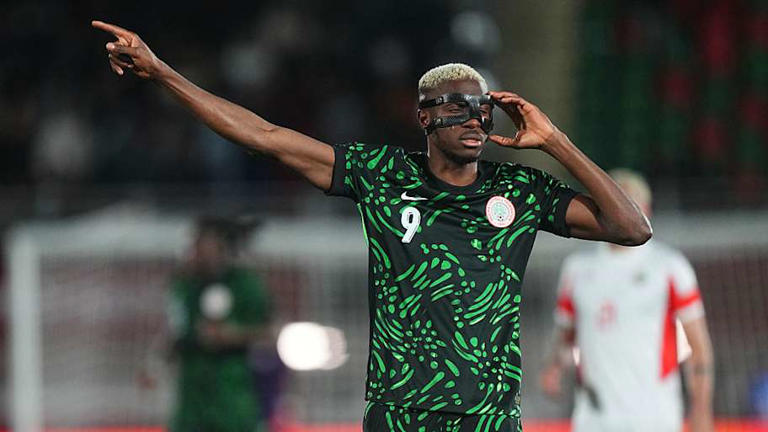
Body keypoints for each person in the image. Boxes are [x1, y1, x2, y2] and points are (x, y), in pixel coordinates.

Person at [92, 20, 652, 432]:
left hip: (490, 414)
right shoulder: (381, 174)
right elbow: (265, 136)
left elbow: (632, 228)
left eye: (483, 109)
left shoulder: (520, 190)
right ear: (425, 117)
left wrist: (554, 141)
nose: (475, 120)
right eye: (456, 108)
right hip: (398, 411)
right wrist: (162, 73)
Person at [539, 169, 714, 432]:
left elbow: (697, 347)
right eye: (612, 202)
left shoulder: (669, 267)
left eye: (628, 204)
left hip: (655, 417)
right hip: (593, 420)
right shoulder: (577, 269)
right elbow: (565, 334)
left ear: (646, 210)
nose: (620, 212)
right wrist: (554, 366)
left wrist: (701, 410)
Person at [166, 217, 272, 432]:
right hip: (192, 399)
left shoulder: (246, 284)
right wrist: (156, 362)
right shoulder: (184, 286)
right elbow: (175, 332)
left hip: (232, 396)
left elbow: (270, 333)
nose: (194, 249)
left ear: (221, 246)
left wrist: (232, 336)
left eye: (201, 242)